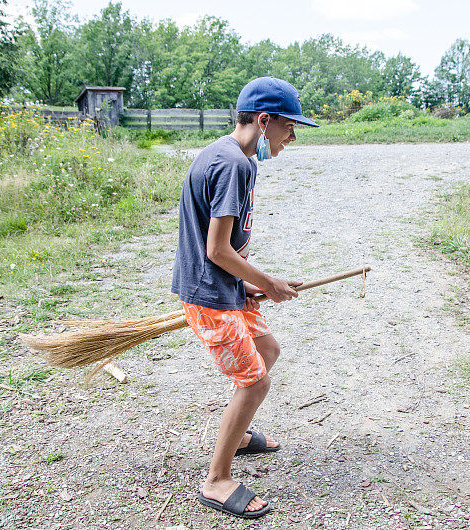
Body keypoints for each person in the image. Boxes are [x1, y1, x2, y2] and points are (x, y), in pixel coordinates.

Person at [171, 77, 319, 519]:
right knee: (256, 381)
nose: (291, 138)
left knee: (267, 349)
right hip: (209, 294)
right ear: (264, 119)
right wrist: (270, 282)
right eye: (289, 127)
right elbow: (216, 249)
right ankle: (216, 480)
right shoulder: (233, 164)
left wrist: (248, 283)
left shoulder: (234, 158)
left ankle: (236, 435)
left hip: (227, 288)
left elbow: (224, 250)